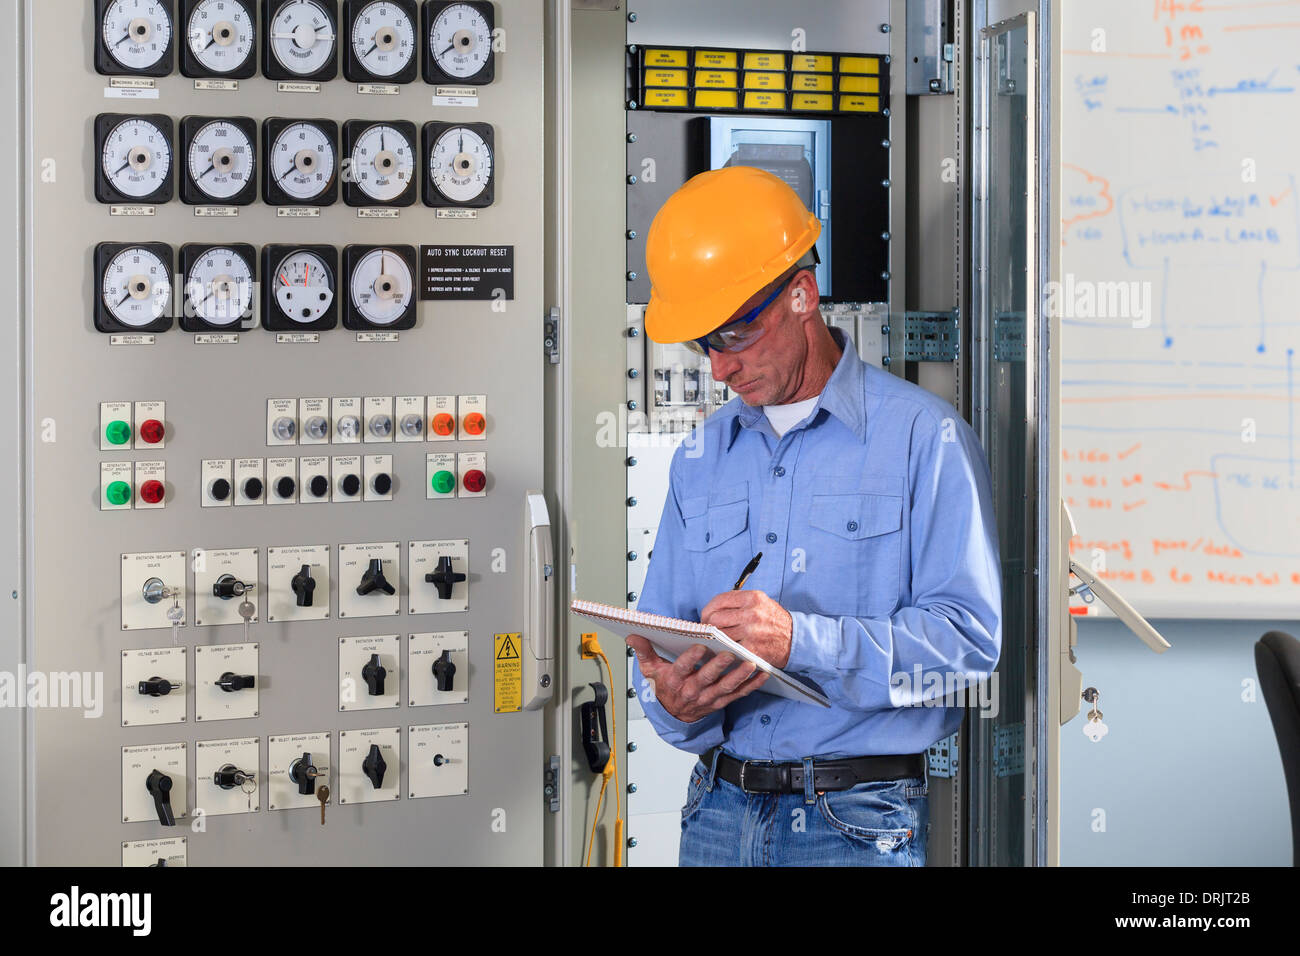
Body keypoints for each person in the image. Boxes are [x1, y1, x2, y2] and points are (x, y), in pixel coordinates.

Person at [628, 164, 1003, 867]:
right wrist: (674, 705)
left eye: (735, 335)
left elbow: (967, 649)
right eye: (702, 344)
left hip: (854, 824)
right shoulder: (700, 457)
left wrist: (801, 641)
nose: (718, 369)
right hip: (715, 813)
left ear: (802, 295)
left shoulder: (925, 439)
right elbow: (664, 641)